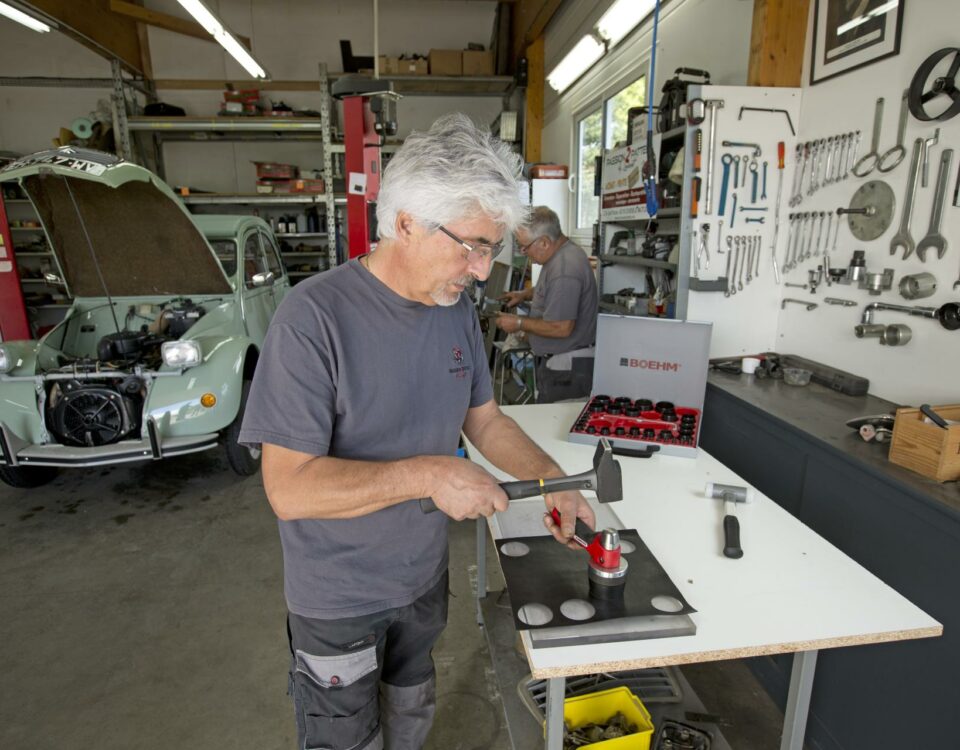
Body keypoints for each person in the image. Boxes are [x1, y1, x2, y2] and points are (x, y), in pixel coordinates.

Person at [238, 113, 595, 750]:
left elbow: (483, 419)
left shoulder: (453, 310)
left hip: (423, 580)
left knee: (409, 719)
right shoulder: (312, 320)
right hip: (339, 597)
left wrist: (553, 480)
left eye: (492, 249)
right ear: (404, 222)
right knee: (346, 738)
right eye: (472, 245)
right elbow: (288, 489)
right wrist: (431, 473)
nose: (483, 271)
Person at [495, 206, 598, 402]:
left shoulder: (564, 268)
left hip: (566, 368)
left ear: (544, 242)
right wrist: (525, 294)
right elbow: (553, 289)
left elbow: (561, 327)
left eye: (525, 247)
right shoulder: (559, 255)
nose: (524, 252)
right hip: (559, 362)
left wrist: (518, 323)